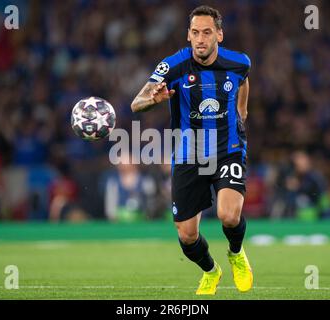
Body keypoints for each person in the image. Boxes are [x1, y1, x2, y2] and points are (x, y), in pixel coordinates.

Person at [131, 5, 252, 295]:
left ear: (219, 35)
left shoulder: (238, 62)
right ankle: (211, 271)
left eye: (207, 32)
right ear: (188, 35)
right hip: (189, 154)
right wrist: (153, 100)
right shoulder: (173, 65)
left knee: (229, 215)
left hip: (228, 149)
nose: (200, 39)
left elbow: (244, 80)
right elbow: (136, 103)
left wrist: (242, 110)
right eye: (195, 32)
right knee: (187, 235)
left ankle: (236, 253)